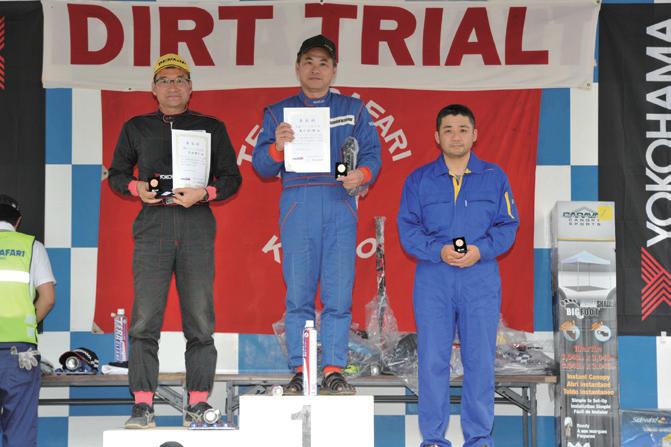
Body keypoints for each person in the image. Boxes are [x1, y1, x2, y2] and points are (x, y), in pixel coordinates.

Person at [108, 53, 242, 428]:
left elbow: (232, 178)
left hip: (196, 223)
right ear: (153, 89)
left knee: (200, 320)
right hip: (153, 224)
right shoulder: (136, 127)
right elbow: (116, 174)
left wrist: (206, 193)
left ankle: (197, 403)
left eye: (180, 80)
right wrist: (135, 188)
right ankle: (142, 404)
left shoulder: (210, 127)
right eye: (165, 80)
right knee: (144, 320)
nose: (172, 86)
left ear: (190, 87)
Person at [252, 35, 381, 394]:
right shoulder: (278, 112)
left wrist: (362, 175)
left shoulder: (353, 109)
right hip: (298, 201)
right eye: (308, 61)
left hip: (339, 201)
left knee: (339, 293)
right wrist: (277, 147)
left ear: (334, 70)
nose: (315, 69)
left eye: (323, 63)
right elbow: (261, 165)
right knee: (299, 293)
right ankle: (300, 368)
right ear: (297, 67)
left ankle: (334, 368)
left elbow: (372, 155)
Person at [397, 104, 519, 447]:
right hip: (433, 278)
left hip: (479, 277)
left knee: (479, 360)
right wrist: (437, 250)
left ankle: (479, 438)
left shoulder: (495, 177)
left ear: (474, 135)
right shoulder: (418, 180)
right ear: (437, 137)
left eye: (463, 129)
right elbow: (408, 229)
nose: (455, 136)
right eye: (448, 129)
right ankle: (434, 439)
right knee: (432, 360)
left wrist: (481, 250)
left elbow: (508, 226)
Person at [0, 194, 56, 447]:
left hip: (17, 352)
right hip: (19, 353)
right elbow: (47, 299)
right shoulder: (32, 247)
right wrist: (27, 324)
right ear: (17, 221)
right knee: (20, 432)